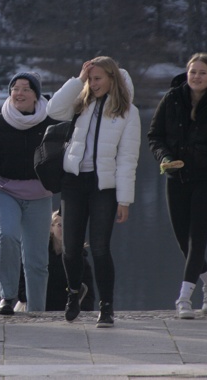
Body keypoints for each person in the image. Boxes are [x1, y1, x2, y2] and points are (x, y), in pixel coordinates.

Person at [46, 56, 140, 328]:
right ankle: (74, 293)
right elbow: (53, 109)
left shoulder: (128, 112)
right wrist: (78, 80)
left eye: (98, 78)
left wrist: (124, 200)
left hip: (104, 187)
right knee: (70, 249)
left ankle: (106, 307)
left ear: (112, 78)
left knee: (99, 249)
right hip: (74, 182)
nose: (94, 83)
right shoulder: (81, 102)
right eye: (91, 79)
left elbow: (128, 159)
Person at [147, 53, 207, 319]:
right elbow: (155, 136)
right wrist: (165, 158)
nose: (196, 76)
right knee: (182, 240)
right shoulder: (172, 98)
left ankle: (184, 298)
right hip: (176, 179)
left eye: (202, 73)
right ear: (186, 74)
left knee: (197, 240)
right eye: (192, 72)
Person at [0, 72, 57, 314]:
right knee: (7, 235)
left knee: (36, 259)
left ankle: (36, 310)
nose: (19, 93)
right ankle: (7, 297)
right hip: (3, 191)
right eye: (15, 88)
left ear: (36, 95)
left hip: (39, 194)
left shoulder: (50, 122)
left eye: (26, 89)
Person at [15, 210, 96, 312]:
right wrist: (25, 296)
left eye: (69, 225)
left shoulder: (80, 260)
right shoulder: (38, 253)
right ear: (51, 227)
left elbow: (88, 292)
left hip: (65, 311)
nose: (64, 229)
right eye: (60, 225)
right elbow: (22, 276)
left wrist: (82, 312)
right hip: (34, 307)